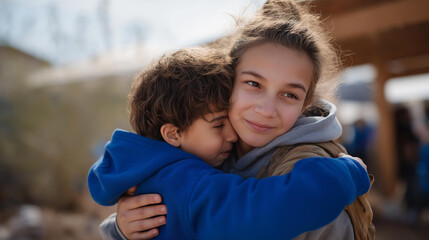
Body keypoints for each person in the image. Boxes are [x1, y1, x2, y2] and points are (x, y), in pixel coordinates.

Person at [97, 0, 373, 239]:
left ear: (306, 103)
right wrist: (123, 227)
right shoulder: (208, 154)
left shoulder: (308, 170)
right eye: (253, 83)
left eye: (289, 94)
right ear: (228, 82)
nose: (266, 109)